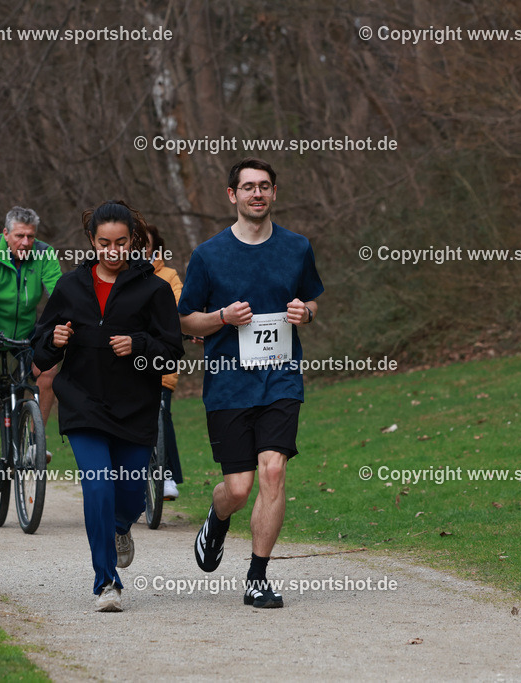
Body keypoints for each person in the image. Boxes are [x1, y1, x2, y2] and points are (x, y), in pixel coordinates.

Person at [178, 158, 324, 609]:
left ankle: (257, 576)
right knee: (238, 488)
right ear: (232, 195)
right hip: (228, 385)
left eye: (264, 186)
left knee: (274, 470)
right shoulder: (208, 255)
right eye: (247, 187)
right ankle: (217, 519)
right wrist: (221, 317)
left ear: (274, 193)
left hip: (281, 379)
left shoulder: (297, 247)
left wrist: (307, 312)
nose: (256, 193)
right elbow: (186, 319)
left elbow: (312, 299)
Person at [32, 201, 183, 612]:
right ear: (91, 241)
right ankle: (106, 583)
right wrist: (54, 341)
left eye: (120, 243)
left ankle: (120, 528)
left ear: (133, 240)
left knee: (131, 498)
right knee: (97, 486)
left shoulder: (153, 289)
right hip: (83, 404)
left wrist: (139, 344)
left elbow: (172, 355)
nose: (113, 251)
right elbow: (39, 353)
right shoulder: (70, 287)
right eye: (104, 243)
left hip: (135, 406)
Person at [0, 206, 62, 493]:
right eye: (19, 236)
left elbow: (58, 292)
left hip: (29, 332)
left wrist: (61, 324)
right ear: (6, 234)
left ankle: (33, 444)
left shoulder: (44, 254)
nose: (26, 243)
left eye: (30, 236)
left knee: (48, 372)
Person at [136, 222, 184, 500]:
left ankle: (165, 474)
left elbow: (179, 309)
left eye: (147, 244)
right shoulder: (119, 273)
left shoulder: (168, 275)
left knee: (161, 412)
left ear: (154, 247)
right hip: (125, 360)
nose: (142, 249)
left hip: (159, 358)